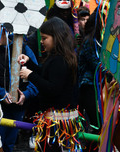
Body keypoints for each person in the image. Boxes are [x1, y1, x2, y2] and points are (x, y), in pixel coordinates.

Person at [18, 17, 79, 151]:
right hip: (57, 121)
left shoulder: (59, 60)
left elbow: (52, 88)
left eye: (44, 38)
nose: (41, 41)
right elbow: (46, 74)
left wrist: (30, 75)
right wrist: (29, 63)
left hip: (57, 124)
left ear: (56, 38)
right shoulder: (58, 57)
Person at [0, 18, 38, 152]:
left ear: (4, 30)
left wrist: (26, 94)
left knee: (10, 141)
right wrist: (1, 93)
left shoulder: (24, 48)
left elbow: (36, 75)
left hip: (19, 106)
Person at [77, 10, 102, 136]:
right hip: (89, 87)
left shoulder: (97, 40)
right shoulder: (90, 41)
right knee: (97, 124)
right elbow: (96, 65)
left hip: (97, 87)